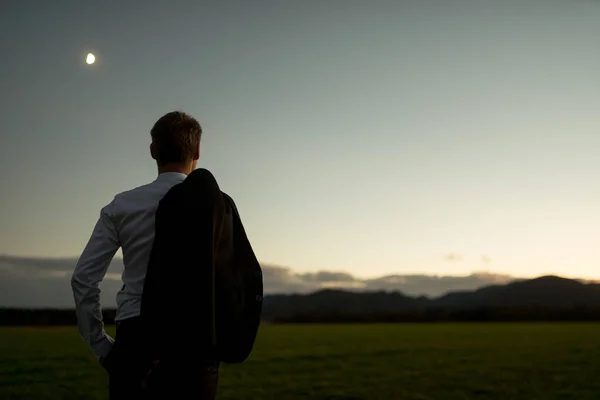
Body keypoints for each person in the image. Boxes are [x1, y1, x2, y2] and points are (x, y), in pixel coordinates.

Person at [70, 111, 216, 399]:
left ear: (153, 151)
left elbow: (83, 279)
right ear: (198, 151)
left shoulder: (123, 205)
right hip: (197, 338)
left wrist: (102, 347)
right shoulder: (218, 206)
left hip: (136, 337)